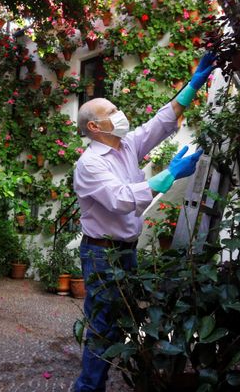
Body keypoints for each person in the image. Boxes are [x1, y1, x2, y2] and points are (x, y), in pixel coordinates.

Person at [72, 53, 215, 391]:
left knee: (122, 319)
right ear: (94, 127)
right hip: (102, 255)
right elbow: (122, 200)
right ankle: (88, 388)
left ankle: (108, 379)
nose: (119, 115)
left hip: (124, 251)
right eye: (111, 112)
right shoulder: (90, 164)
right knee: (102, 324)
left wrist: (193, 85)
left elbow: (159, 124)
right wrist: (170, 176)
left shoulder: (124, 146)